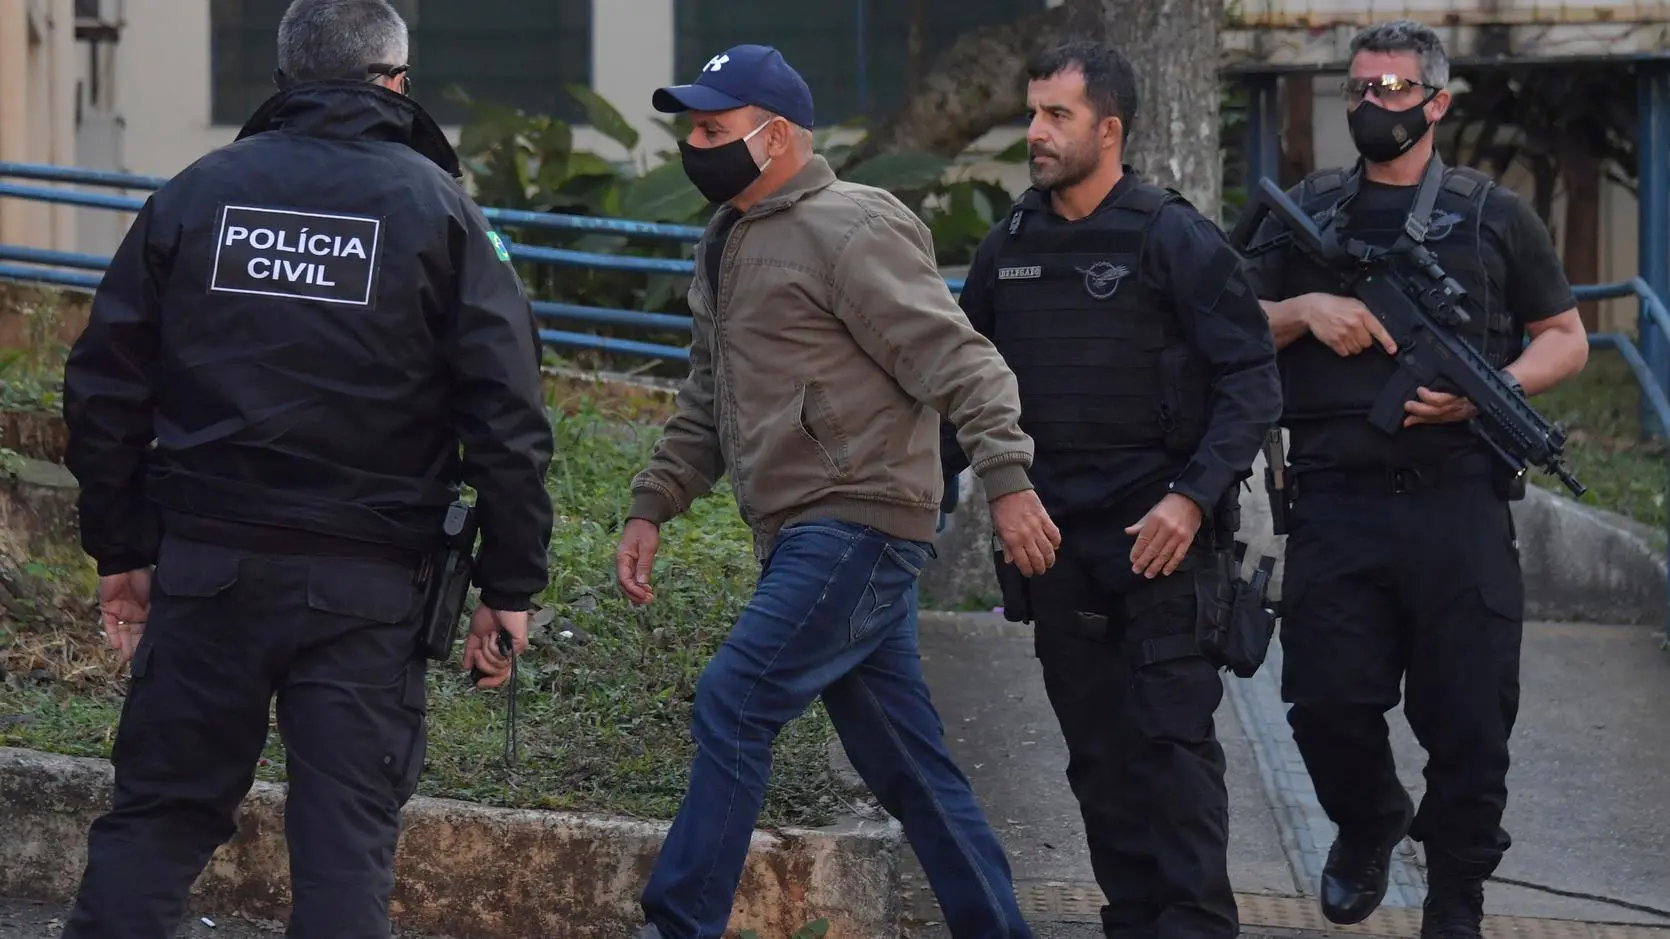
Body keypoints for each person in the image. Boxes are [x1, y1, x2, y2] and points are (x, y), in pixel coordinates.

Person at [57, 0, 554, 935]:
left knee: (159, 818)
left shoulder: (196, 195)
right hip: (368, 591)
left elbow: (101, 386)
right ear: (396, 81)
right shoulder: (441, 211)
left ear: (285, 82)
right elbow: (509, 416)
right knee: (343, 845)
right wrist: (510, 580)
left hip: (206, 571)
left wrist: (120, 548)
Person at [613, 42, 1061, 939]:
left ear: (776, 136)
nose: (695, 144)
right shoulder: (727, 240)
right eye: (691, 127)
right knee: (904, 762)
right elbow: (709, 394)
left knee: (735, 697)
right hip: (802, 530)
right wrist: (651, 502)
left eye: (714, 126)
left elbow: (960, 356)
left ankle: (678, 923)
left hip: (857, 520)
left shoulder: (852, 224)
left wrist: (1008, 478)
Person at [1238, 20, 1589, 939]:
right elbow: (1230, 318)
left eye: (1393, 89)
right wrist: (1309, 309)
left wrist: (1490, 394)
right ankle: (1368, 821)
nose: (1372, 104)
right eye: (1359, 88)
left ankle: (1456, 899)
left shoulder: (1494, 215)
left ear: (1437, 101)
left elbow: (1567, 338)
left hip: (1458, 506)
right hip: (1337, 505)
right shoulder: (1308, 208)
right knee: (1324, 701)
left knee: (1472, 722)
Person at [940, 39, 1283, 939]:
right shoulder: (1008, 244)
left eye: (1058, 115)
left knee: (1173, 748)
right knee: (1099, 758)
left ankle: (1197, 926)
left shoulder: (1173, 236)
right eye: (1032, 112)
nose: (1036, 132)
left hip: (1162, 539)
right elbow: (959, 385)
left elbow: (1252, 381)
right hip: (1054, 544)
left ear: (1111, 130)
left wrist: (1192, 496)